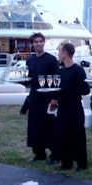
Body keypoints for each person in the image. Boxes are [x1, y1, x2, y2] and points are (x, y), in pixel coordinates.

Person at [50, 43, 90, 171]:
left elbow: (85, 89)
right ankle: (66, 162)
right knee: (63, 134)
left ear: (65, 53)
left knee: (77, 135)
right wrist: (54, 98)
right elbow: (57, 89)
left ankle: (81, 163)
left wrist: (70, 90)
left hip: (75, 107)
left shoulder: (78, 70)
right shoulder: (61, 71)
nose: (58, 55)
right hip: (63, 108)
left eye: (59, 52)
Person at [25, 32, 60, 163]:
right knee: (35, 126)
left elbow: (57, 79)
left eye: (41, 41)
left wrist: (55, 98)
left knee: (50, 127)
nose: (39, 43)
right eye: (36, 41)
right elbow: (29, 79)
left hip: (48, 97)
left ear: (44, 42)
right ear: (32, 44)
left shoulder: (51, 59)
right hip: (34, 97)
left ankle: (55, 155)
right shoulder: (30, 60)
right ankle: (39, 153)